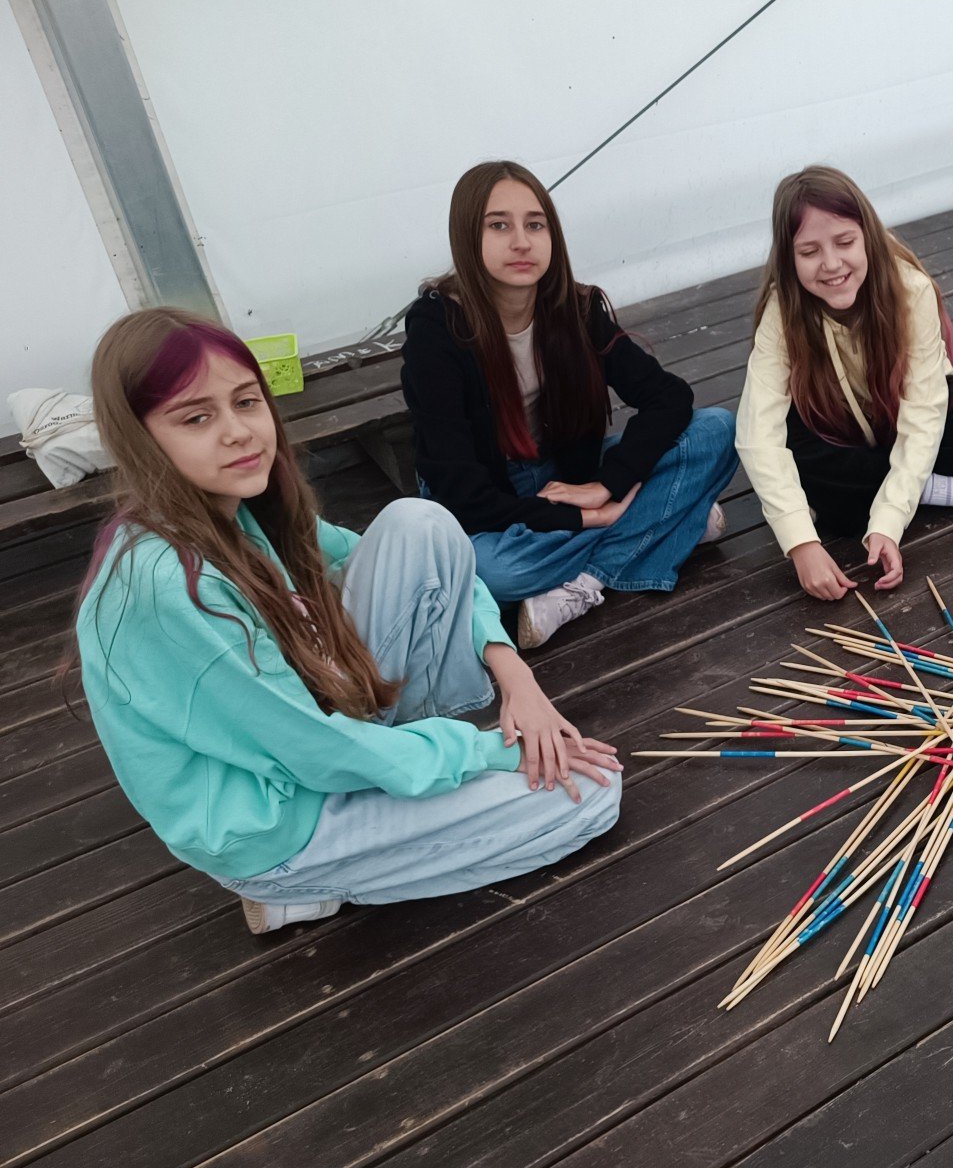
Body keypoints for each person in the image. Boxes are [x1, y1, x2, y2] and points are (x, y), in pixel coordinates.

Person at [74, 310, 621, 935]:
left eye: (246, 401)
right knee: (591, 796)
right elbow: (313, 751)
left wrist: (515, 674)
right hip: (283, 821)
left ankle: (409, 771)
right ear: (139, 439)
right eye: (196, 418)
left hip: (323, 735)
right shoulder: (166, 585)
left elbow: (434, 568)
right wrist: (489, 750)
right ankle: (300, 889)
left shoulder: (240, 509)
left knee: (421, 524)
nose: (238, 432)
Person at [402, 160, 738, 648]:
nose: (522, 242)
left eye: (535, 225)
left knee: (717, 430)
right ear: (467, 237)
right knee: (494, 572)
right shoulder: (437, 330)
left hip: (566, 476)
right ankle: (670, 521)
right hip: (484, 498)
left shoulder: (575, 308)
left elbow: (669, 398)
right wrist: (588, 518)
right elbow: (463, 493)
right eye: (499, 225)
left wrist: (606, 486)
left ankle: (586, 581)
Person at [736, 165, 953, 601]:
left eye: (845, 242)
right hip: (835, 421)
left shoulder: (910, 289)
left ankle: (894, 489)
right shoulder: (782, 309)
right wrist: (802, 545)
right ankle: (945, 489)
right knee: (803, 472)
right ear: (788, 258)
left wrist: (887, 522)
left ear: (867, 234)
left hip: (902, 409)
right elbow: (757, 434)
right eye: (809, 251)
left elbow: (923, 415)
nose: (831, 264)